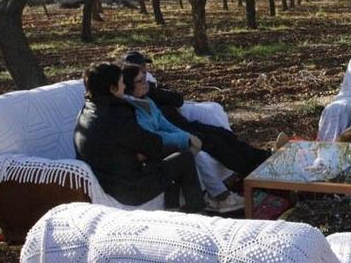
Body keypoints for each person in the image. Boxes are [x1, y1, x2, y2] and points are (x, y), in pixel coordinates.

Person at [74, 62, 205, 212]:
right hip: (128, 189)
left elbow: (141, 146)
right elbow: (152, 145)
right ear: (112, 88)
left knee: (167, 158)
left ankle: (172, 210)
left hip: (108, 179)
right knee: (184, 158)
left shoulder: (86, 111)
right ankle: (199, 215)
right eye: (122, 82)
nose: (124, 86)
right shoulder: (118, 116)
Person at [122, 51, 272, 177]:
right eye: (141, 73)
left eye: (145, 69)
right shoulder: (137, 103)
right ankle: (253, 174)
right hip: (178, 134)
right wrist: (185, 136)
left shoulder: (148, 93)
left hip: (182, 125)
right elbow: (156, 131)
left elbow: (177, 99)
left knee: (223, 133)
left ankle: (263, 157)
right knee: (215, 142)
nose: (145, 73)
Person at [121, 63, 246, 213]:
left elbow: (165, 124)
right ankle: (216, 199)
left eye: (145, 79)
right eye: (140, 81)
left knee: (196, 148)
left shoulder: (147, 101)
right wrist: (183, 139)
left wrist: (187, 136)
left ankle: (216, 198)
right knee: (188, 153)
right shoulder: (131, 108)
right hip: (148, 152)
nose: (145, 83)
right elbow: (151, 136)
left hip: (161, 145)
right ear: (128, 85)